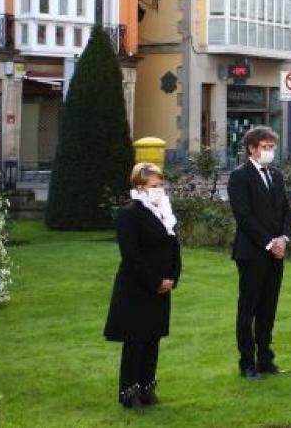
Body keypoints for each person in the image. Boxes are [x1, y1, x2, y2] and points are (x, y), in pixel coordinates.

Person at [104, 163, 181, 409]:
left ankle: (148, 387)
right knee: (135, 340)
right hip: (137, 286)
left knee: (153, 337)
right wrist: (155, 281)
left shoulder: (164, 212)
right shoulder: (130, 214)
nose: (160, 190)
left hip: (161, 285)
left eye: (161, 185)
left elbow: (173, 247)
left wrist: (172, 277)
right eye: (154, 186)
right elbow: (131, 255)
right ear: (140, 187)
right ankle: (130, 391)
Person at [227, 126, 291, 379]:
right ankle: (247, 362)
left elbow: (286, 210)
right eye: (265, 147)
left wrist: (284, 239)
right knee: (249, 308)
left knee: (268, 307)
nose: (269, 152)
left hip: (277, 251)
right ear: (251, 149)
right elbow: (244, 216)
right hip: (252, 252)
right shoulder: (239, 177)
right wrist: (269, 243)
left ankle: (266, 358)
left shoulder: (275, 175)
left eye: (272, 147)